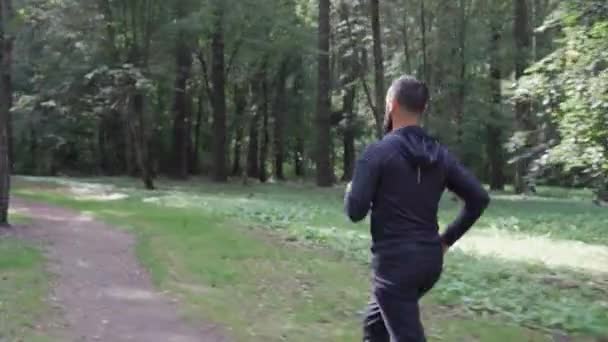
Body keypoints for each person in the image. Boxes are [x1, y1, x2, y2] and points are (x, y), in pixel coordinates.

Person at [344, 75, 490, 342]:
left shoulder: (377, 153)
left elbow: (355, 211)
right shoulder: (440, 155)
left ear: (393, 104)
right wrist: (446, 240)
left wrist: (352, 189)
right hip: (429, 263)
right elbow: (479, 198)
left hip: (395, 265)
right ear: (422, 109)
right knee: (374, 327)